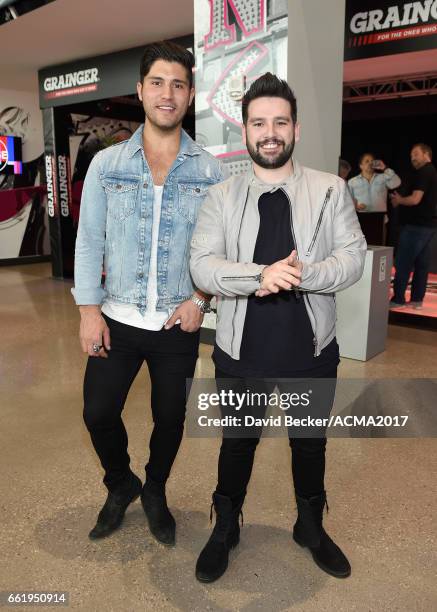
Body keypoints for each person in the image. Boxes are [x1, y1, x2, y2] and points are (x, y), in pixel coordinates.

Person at [190, 73, 366, 583]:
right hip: (240, 352)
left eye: (279, 122)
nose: (270, 132)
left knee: (309, 444)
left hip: (310, 351)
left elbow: (352, 260)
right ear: (244, 130)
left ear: (296, 128)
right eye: (258, 122)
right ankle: (226, 527)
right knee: (237, 442)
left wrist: (306, 274)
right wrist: (258, 276)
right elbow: (202, 266)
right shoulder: (221, 197)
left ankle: (310, 526)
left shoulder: (330, 190)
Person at [72, 41, 225, 544]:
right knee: (97, 413)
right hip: (115, 316)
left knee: (169, 419)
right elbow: (90, 239)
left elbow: (219, 250)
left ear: (190, 95)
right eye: (158, 82)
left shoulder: (209, 171)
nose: (167, 93)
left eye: (178, 84)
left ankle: (155, 487)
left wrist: (201, 301)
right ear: (140, 91)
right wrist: (88, 312)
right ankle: (121, 483)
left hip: (175, 323)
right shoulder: (107, 164)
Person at [389, 143, 437, 309]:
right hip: (427, 226)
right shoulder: (431, 172)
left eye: (416, 154)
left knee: (403, 262)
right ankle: (417, 299)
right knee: (421, 264)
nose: (412, 158)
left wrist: (399, 200)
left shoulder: (425, 172)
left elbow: (416, 199)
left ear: (426, 154)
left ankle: (398, 299)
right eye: (411, 155)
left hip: (417, 226)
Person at [348, 153, 400, 245]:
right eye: (367, 161)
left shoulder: (383, 177)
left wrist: (384, 168)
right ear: (361, 166)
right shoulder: (352, 182)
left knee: (378, 248)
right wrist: (355, 207)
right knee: (360, 247)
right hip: (360, 219)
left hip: (379, 219)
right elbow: (347, 202)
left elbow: (397, 182)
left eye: (372, 161)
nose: (370, 163)